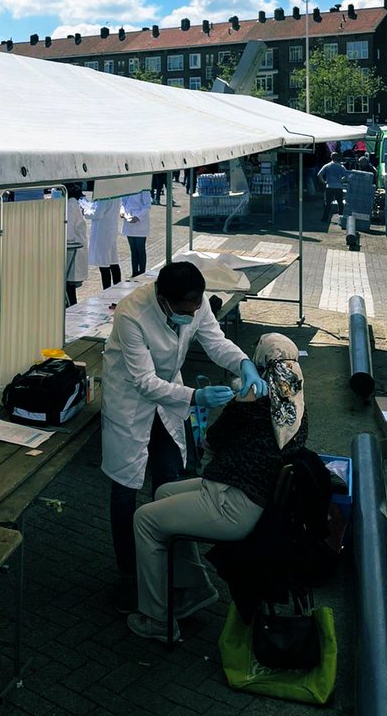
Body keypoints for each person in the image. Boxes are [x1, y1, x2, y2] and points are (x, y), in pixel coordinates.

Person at [101, 260, 268, 612]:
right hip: (131, 402)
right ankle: (130, 576)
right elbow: (144, 382)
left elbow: (215, 342)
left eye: (196, 306)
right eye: (184, 309)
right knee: (125, 488)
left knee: (167, 478)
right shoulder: (132, 314)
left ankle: (171, 571)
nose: (191, 315)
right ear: (163, 299)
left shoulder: (196, 301)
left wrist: (243, 364)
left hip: (169, 400)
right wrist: (196, 396)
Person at [128, 332, 307, 642]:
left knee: (144, 518)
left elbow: (212, 439)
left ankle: (158, 620)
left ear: (261, 363)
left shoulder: (252, 402)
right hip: (241, 492)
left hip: (233, 503)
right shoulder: (295, 406)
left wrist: (233, 400)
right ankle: (195, 588)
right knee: (163, 492)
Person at [84, 194, 122, 290]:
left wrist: (84, 211)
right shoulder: (115, 194)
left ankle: (107, 290)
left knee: (104, 263)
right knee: (113, 261)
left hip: (103, 232)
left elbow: (97, 213)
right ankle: (118, 287)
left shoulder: (104, 195)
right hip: (110, 229)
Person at [65, 183, 88, 307]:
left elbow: (68, 234)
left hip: (73, 250)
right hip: (76, 249)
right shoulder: (73, 204)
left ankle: (72, 310)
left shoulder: (70, 205)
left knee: (68, 287)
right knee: (69, 288)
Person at [120, 190, 152, 278]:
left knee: (140, 249)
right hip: (128, 220)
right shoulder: (127, 187)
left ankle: (142, 273)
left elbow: (147, 206)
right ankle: (134, 272)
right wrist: (122, 211)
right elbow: (123, 202)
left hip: (140, 223)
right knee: (133, 250)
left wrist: (138, 217)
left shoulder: (144, 189)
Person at [317, 152, 350, 221]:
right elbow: (347, 177)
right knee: (340, 203)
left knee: (328, 203)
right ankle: (341, 218)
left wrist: (324, 182)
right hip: (338, 187)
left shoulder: (327, 166)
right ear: (338, 157)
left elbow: (319, 174)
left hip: (329, 187)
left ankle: (325, 218)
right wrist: (341, 181)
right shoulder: (341, 166)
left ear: (331, 157)